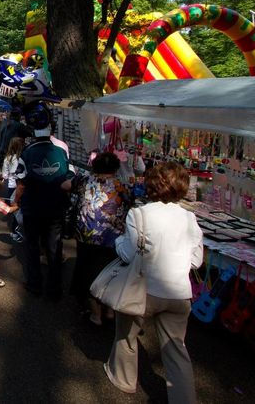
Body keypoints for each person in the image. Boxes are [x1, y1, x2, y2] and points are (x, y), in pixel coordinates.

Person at [104, 162, 203, 403]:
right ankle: (183, 397)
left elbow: (127, 253)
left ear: (151, 184)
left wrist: (117, 243)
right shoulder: (189, 218)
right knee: (176, 348)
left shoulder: (139, 214)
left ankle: (124, 379)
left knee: (126, 335)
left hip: (143, 289)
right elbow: (196, 260)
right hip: (179, 293)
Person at [12, 119, 74, 300]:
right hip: (55, 208)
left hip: (32, 208)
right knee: (54, 249)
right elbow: (69, 179)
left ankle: (35, 284)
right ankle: (54, 288)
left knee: (32, 247)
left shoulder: (27, 152)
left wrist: (16, 201)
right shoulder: (61, 152)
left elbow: (21, 182)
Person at [69, 152, 131, 326]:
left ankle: (96, 315)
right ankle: (110, 310)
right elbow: (130, 203)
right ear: (116, 167)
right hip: (113, 238)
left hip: (87, 235)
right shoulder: (122, 186)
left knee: (87, 272)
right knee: (110, 273)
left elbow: (65, 185)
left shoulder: (85, 181)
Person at [0, 137, 25, 243]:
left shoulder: (8, 158)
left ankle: (15, 231)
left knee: (14, 209)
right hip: (21, 186)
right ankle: (18, 231)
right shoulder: (23, 159)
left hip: (11, 185)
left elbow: (5, 175)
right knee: (20, 209)